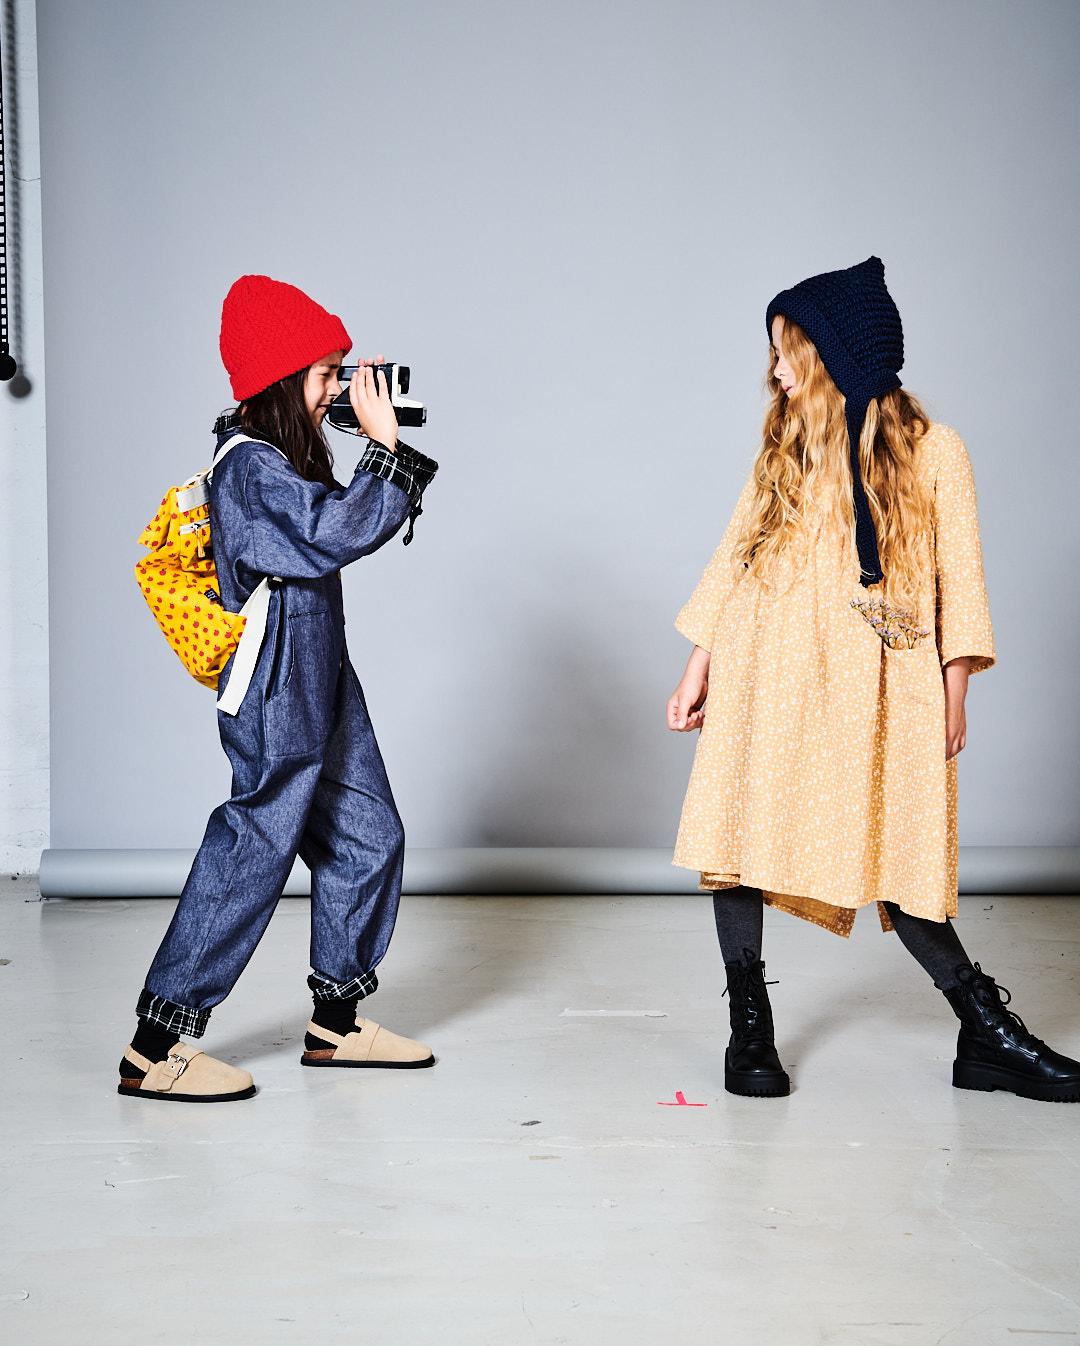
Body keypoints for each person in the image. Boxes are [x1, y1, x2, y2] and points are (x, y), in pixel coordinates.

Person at [667, 256, 1079, 1103]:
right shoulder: (784, 449)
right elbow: (733, 558)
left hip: (881, 681)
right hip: (766, 665)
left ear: (831, 355)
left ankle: (987, 1035)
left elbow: (961, 580)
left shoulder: (936, 453)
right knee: (737, 834)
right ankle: (750, 1024)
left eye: (787, 350)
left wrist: (955, 689)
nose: (774, 369)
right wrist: (698, 663)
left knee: (903, 849)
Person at [119, 274, 439, 1102]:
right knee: (256, 844)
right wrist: (386, 447)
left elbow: (335, 522)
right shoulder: (248, 468)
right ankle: (157, 1046)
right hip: (274, 677)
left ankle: (336, 1023)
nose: (338, 389)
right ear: (281, 380)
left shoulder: (284, 461)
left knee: (369, 831)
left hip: (322, 669)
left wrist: (375, 443)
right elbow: (336, 533)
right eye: (328, 374)